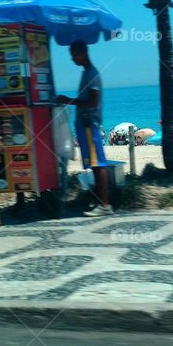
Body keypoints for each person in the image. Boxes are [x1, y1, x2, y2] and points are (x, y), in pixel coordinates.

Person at [57, 40, 111, 216]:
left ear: (82, 53)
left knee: (98, 164)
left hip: (90, 124)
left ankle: (105, 204)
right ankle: (99, 200)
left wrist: (68, 101)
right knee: (94, 164)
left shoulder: (92, 74)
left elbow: (93, 102)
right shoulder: (87, 73)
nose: (72, 59)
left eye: (74, 55)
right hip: (85, 125)